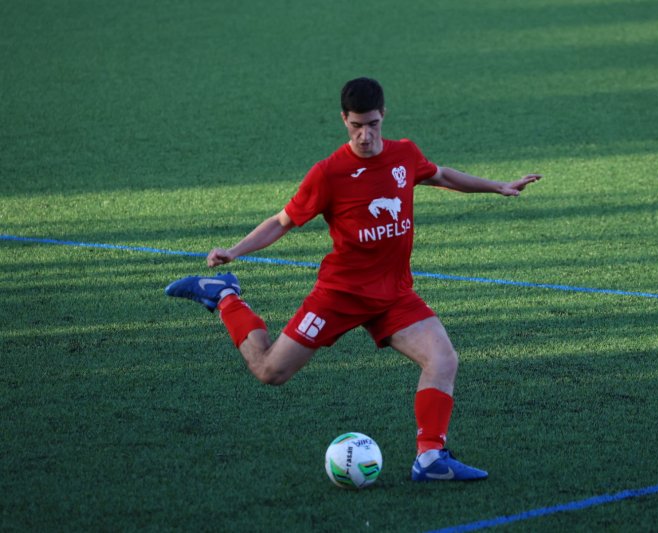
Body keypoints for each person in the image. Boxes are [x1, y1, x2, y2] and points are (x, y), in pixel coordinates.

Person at [165, 77, 542, 482]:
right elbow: (282, 221)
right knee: (269, 371)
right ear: (344, 119)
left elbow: (441, 175)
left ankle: (431, 458)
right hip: (340, 295)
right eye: (357, 126)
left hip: (393, 294)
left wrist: (497, 186)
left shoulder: (404, 155)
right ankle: (224, 296)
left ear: (384, 117)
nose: (366, 136)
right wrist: (235, 251)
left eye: (373, 125)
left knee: (443, 358)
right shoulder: (329, 174)